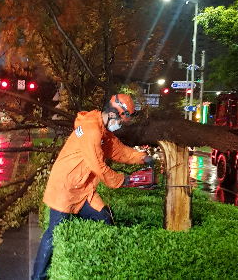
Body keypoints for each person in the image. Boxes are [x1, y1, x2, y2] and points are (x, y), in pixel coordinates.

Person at [31, 94, 155, 280]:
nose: (120, 125)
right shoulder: (91, 130)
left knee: (104, 219)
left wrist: (142, 157)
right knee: (54, 233)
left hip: (83, 188)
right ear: (113, 115)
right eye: (121, 120)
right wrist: (127, 180)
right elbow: (100, 167)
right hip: (65, 187)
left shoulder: (102, 130)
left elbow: (117, 150)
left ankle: (97, 264)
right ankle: (37, 277)